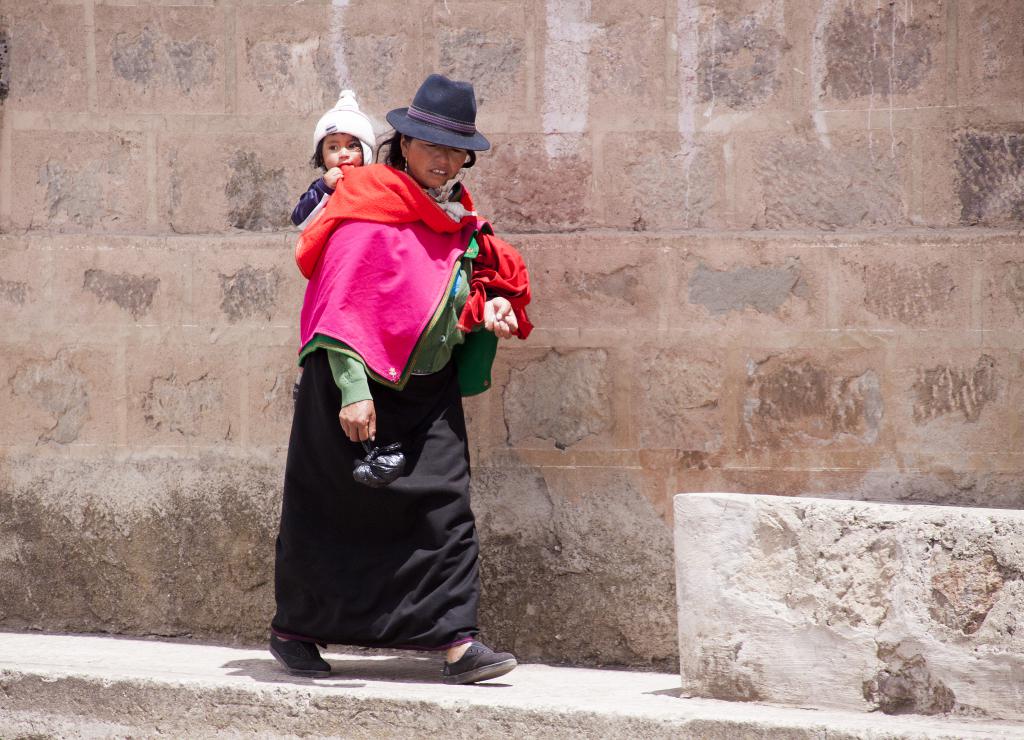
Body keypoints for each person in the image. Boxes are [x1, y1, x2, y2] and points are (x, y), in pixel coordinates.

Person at [270, 74, 532, 686]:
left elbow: (446, 295)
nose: (443, 160)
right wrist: (354, 392)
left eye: (454, 149)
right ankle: (296, 630)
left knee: (443, 507)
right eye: (430, 145)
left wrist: (486, 309)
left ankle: (457, 643)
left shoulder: (456, 217)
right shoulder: (367, 206)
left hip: (425, 385)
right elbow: (339, 304)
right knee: (332, 509)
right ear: (402, 144)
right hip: (351, 379)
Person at [290, 90, 376, 230]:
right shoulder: (322, 187)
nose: (343, 153)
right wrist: (323, 188)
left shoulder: (375, 181)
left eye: (352, 146)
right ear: (322, 158)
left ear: (366, 151)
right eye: (333, 147)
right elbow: (299, 221)